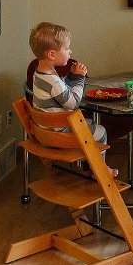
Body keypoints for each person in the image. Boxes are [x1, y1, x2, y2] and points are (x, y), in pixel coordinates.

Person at [29, 21, 117, 177]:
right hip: (59, 135)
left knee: (89, 125)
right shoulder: (53, 81)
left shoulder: (40, 75)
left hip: (46, 133)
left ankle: (88, 167)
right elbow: (73, 103)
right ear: (52, 54)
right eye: (67, 48)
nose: (70, 52)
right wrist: (79, 79)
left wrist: (70, 76)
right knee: (100, 131)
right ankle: (99, 170)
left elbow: (61, 92)